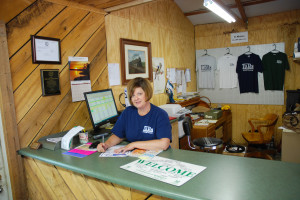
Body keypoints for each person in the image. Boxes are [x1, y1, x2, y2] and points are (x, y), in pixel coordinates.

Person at [97, 77, 172, 153]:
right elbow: (118, 135)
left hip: (158, 157)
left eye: (139, 94)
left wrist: (133, 145)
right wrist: (106, 145)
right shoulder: (127, 112)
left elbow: (164, 144)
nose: (136, 98)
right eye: (133, 95)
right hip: (134, 157)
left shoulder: (160, 114)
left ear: (147, 94)